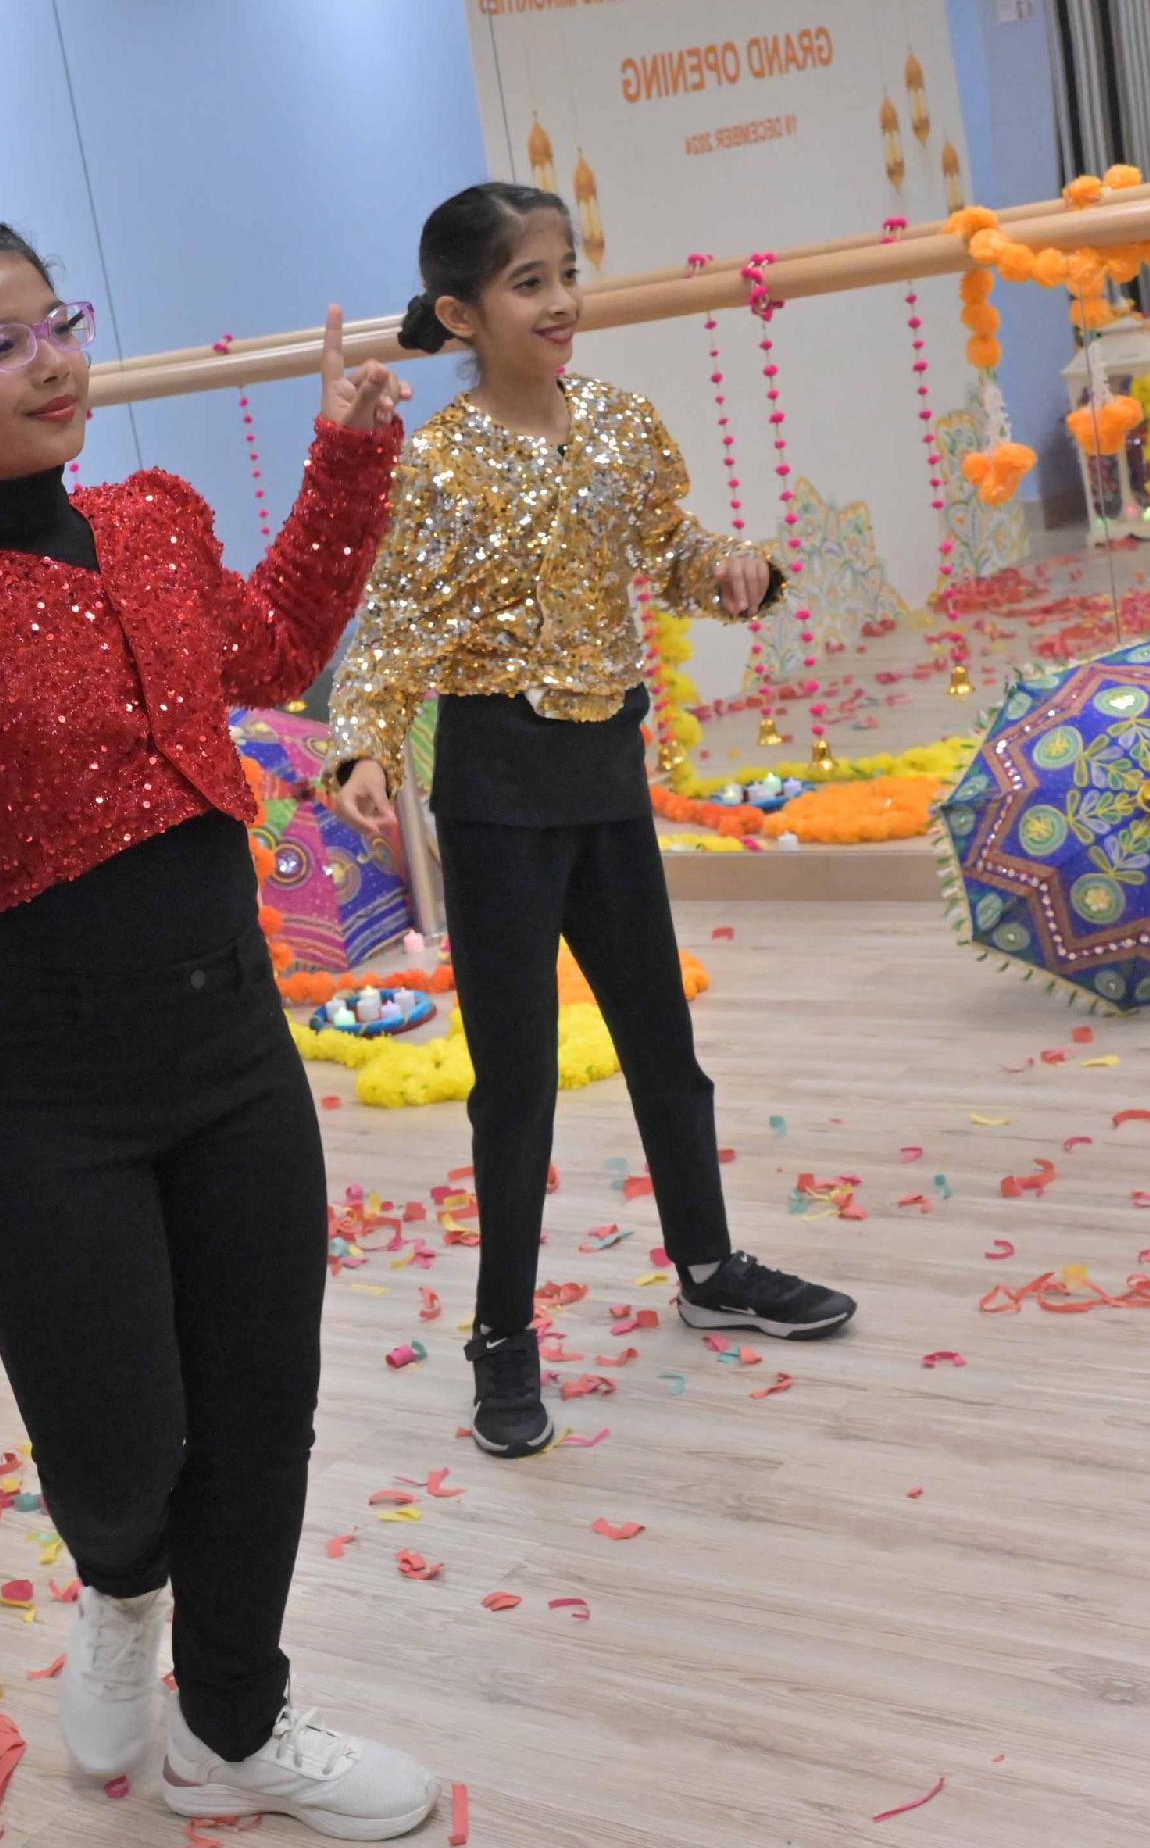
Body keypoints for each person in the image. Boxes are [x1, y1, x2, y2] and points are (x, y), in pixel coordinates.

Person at [0, 204, 444, 1842]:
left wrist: (343, 466)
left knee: (264, 1405)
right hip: (39, 1078)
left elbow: (265, 653)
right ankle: (121, 1593)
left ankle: (235, 1720)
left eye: (51, 318)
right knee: (126, 1455)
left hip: (229, 1039)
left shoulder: (149, 516)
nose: (49, 357)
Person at [323, 181, 857, 1459]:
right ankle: (501, 1332)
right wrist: (361, 744)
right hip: (500, 791)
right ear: (460, 314)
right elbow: (391, 626)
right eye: (527, 282)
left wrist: (736, 569)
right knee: (515, 1087)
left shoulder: (619, 424)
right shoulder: (435, 462)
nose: (560, 301)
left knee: (664, 1049)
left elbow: (667, 549)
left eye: (566, 272)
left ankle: (710, 1264)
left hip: (607, 777)